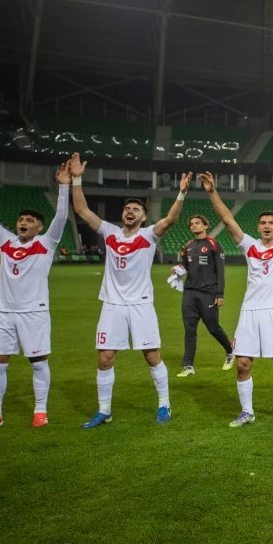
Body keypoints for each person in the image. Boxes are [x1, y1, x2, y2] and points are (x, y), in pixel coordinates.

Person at [71, 152, 184, 428]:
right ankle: (105, 410)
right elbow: (83, 211)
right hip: (112, 304)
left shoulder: (148, 236)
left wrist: (180, 194)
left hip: (141, 304)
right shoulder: (110, 232)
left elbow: (169, 221)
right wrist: (76, 179)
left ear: (144, 217)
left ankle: (164, 404)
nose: (130, 211)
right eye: (127, 209)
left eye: (136, 209)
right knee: (105, 357)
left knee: (152, 356)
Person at [204, 167, 273, 426]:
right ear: (258, 227)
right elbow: (229, 220)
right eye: (263, 223)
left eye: (271, 223)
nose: (266, 226)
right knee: (242, 364)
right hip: (250, 311)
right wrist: (212, 193)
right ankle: (247, 412)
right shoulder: (249, 246)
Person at [0, 157, 69, 433]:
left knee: (38, 362)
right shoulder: (5, 241)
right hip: (3, 311)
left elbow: (61, 217)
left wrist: (63, 188)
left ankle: (40, 411)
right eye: (21, 219)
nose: (23, 222)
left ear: (39, 226)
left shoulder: (46, 243)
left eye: (29, 220)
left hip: (33, 312)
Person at [175, 202, 236, 378]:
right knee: (189, 330)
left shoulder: (214, 245)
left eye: (197, 223)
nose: (194, 225)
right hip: (190, 293)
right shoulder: (188, 246)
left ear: (206, 226)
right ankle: (187, 366)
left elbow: (220, 271)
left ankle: (230, 351)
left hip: (208, 293)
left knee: (213, 327)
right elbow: (185, 266)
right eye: (192, 224)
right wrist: (177, 270)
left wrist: (220, 294)